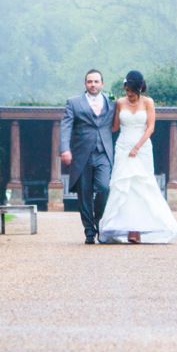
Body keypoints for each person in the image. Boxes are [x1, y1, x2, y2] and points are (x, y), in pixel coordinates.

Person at [98, 70, 177, 244]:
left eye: (131, 91)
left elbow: (150, 127)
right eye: (126, 90)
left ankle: (139, 229)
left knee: (142, 186)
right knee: (124, 187)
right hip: (123, 147)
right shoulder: (120, 103)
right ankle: (128, 228)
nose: (128, 94)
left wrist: (137, 147)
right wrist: (107, 109)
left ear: (139, 89)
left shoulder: (148, 102)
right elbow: (114, 127)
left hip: (142, 147)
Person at [58, 68, 114, 244]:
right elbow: (66, 126)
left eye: (96, 81)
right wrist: (65, 149)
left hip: (104, 152)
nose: (93, 84)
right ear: (85, 84)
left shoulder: (112, 102)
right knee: (84, 194)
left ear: (102, 84)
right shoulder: (73, 102)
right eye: (90, 81)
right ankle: (89, 231)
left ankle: (98, 221)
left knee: (104, 188)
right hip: (82, 154)